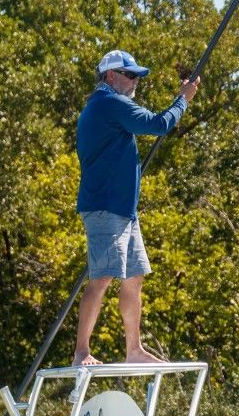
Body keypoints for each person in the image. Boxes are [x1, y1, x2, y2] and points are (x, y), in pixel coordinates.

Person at [72, 49, 201, 366]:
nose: (135, 82)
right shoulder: (108, 103)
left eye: (137, 76)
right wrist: (183, 98)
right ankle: (81, 353)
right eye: (130, 75)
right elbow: (159, 125)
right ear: (111, 76)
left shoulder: (107, 106)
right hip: (104, 208)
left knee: (134, 276)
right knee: (102, 278)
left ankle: (134, 350)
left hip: (123, 210)